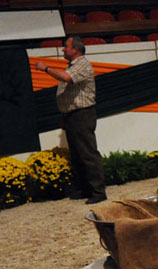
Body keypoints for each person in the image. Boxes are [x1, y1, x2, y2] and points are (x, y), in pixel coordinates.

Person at [35, 36, 106, 204]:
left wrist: (46, 68)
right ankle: (84, 189)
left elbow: (67, 78)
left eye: (66, 46)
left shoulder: (82, 65)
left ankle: (98, 191)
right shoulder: (72, 66)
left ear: (75, 50)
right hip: (72, 115)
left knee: (88, 153)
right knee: (77, 155)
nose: (63, 49)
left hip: (82, 115)